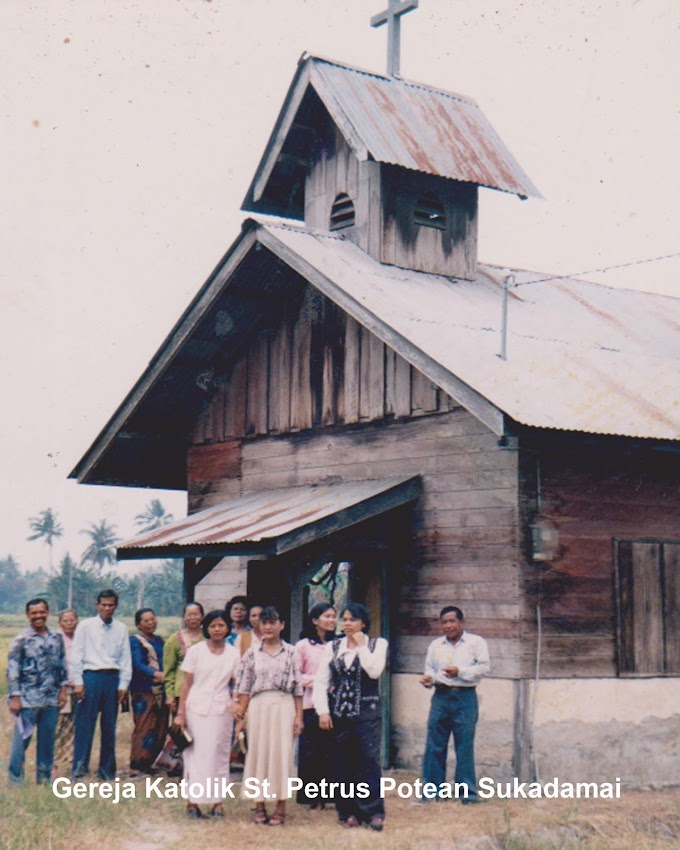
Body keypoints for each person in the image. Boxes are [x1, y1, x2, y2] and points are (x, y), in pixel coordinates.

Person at [313, 602, 388, 831]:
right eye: (344, 619)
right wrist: (323, 711)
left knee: (368, 760)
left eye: (352, 619)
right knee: (343, 762)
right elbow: (321, 680)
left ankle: (372, 811)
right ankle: (348, 812)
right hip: (340, 713)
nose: (347, 624)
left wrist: (362, 646)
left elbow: (374, 671)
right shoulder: (334, 646)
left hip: (367, 712)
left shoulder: (378, 644)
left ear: (363, 623)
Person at [234, 605, 304, 827]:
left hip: (284, 705)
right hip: (258, 707)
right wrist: (240, 718)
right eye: (264, 622)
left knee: (282, 755)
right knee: (259, 754)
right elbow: (244, 686)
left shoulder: (291, 652)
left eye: (273, 622)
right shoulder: (252, 653)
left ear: (282, 625)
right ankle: (260, 806)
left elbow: (298, 688)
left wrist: (299, 717)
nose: (268, 627)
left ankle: (280, 807)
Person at [419, 605, 491, 804]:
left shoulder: (476, 642)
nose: (448, 626)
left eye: (452, 621)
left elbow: (484, 668)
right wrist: (428, 680)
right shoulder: (436, 645)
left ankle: (467, 795)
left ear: (461, 622)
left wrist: (459, 671)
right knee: (435, 745)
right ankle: (432, 793)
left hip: (465, 698)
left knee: (464, 746)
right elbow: (430, 669)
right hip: (440, 697)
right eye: (444, 622)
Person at [176, 610, 239, 819]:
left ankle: (217, 803)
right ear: (206, 628)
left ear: (228, 628)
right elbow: (186, 684)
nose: (217, 629)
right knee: (195, 756)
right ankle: (192, 803)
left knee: (219, 755)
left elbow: (237, 684)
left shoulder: (234, 653)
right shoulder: (196, 651)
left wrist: (237, 705)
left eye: (221, 625)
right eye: (213, 626)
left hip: (222, 710)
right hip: (196, 708)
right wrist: (180, 713)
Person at [71, 589, 132, 780]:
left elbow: (125, 657)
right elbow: (76, 654)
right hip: (91, 677)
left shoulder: (121, 628)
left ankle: (106, 771)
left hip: (112, 678)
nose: (107, 608)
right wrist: (78, 682)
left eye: (111, 605)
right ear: (97, 605)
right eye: (104, 605)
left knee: (109, 726)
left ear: (116, 606)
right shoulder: (85, 626)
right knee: (84, 726)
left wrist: (123, 684)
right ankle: (79, 769)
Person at [7, 598, 68, 784]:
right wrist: (15, 697)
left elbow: (62, 665)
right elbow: (12, 670)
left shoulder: (57, 637)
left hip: (51, 698)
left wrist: (63, 690)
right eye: (34, 613)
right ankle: (15, 780)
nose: (38, 616)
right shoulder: (21, 640)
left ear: (47, 613)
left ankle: (44, 779)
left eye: (41, 612)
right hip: (27, 700)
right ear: (28, 615)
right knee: (21, 741)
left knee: (47, 741)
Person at [154, 601, 205, 774]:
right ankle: (179, 768)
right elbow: (168, 671)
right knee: (182, 731)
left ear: (202, 616)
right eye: (189, 614)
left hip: (203, 691)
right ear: (184, 617)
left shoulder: (208, 638)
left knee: (201, 731)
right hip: (180, 693)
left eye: (196, 614)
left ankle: (199, 768)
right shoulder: (174, 640)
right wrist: (170, 695)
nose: (193, 618)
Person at [294, 602, 337, 808]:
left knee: (332, 751)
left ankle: (331, 796)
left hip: (334, 703)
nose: (331, 620)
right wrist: (319, 682)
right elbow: (296, 675)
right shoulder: (303, 646)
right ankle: (313, 797)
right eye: (326, 616)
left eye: (333, 616)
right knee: (312, 752)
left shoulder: (338, 644)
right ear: (314, 620)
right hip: (310, 703)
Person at [129, 607, 168, 778]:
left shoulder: (160, 640)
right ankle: (137, 765)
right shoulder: (135, 641)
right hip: (143, 689)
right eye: (146, 620)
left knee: (160, 727)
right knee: (144, 726)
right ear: (139, 625)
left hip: (161, 689)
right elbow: (137, 664)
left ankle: (150, 762)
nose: (151, 623)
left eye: (153, 619)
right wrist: (156, 674)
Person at [53, 608, 78, 776]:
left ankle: (70, 761)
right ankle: (52, 763)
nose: (69, 623)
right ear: (60, 623)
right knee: (57, 725)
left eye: (72, 620)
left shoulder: (81, 639)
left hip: (78, 688)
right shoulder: (56, 640)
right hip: (61, 689)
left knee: (73, 725)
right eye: (65, 620)